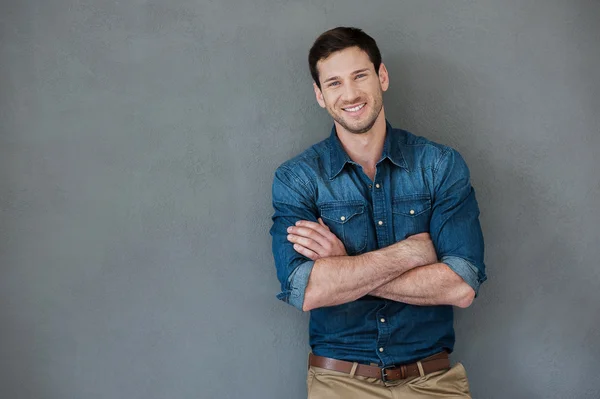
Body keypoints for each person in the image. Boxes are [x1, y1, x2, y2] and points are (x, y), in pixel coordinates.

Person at [270, 27, 487, 398]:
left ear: (381, 77)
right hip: (340, 382)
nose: (351, 94)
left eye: (360, 76)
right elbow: (306, 289)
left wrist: (345, 265)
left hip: (432, 382)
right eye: (334, 83)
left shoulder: (439, 165)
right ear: (320, 96)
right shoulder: (298, 178)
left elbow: (461, 285)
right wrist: (411, 254)